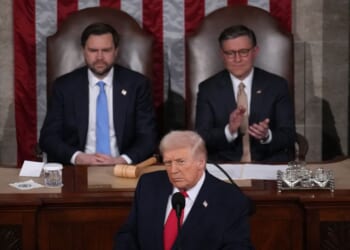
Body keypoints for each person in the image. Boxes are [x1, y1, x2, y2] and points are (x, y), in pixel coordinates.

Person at [39, 22, 157, 165]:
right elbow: (49, 137)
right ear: (84, 50)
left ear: (116, 51)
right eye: (93, 50)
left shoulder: (137, 85)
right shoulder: (64, 86)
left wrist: (123, 160)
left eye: (106, 50)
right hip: (78, 170)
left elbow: (148, 137)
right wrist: (77, 157)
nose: (100, 57)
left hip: (123, 168)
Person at [114, 130, 254, 250]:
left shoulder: (230, 200)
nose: (173, 170)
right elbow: (128, 235)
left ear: (201, 162)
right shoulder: (149, 186)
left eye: (181, 162)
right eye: (168, 163)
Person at [195, 25, 296, 163]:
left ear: (255, 51)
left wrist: (267, 135)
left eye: (243, 52)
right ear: (222, 55)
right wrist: (229, 130)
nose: (237, 59)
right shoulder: (208, 89)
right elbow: (201, 137)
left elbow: (289, 135)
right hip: (225, 165)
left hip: (267, 163)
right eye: (230, 53)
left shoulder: (276, 85)